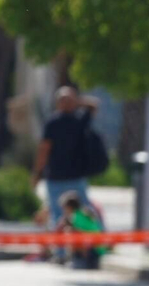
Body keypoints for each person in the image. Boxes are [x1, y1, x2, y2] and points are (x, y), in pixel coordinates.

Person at [33, 87, 101, 240]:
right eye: (62, 100)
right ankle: (62, 251)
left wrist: (77, 100)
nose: (66, 103)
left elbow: (94, 105)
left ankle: (89, 247)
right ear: (57, 103)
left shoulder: (80, 119)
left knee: (83, 214)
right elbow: (44, 149)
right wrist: (38, 173)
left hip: (77, 176)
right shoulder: (52, 123)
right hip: (55, 177)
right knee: (58, 215)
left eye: (69, 100)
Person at [53, 191, 108, 270]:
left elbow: (79, 233)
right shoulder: (83, 213)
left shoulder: (77, 216)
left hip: (92, 250)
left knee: (71, 233)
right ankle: (77, 259)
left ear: (69, 207)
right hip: (95, 248)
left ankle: (80, 260)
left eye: (64, 208)